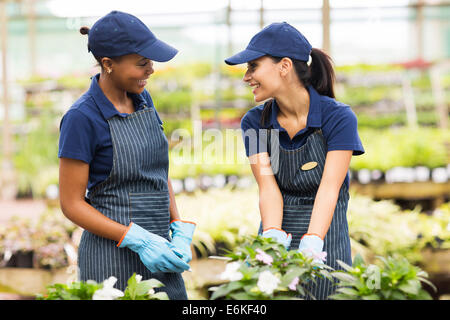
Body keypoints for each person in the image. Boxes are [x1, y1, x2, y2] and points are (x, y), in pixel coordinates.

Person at [58, 11, 196, 300]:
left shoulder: (144, 102)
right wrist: (135, 238)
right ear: (108, 64)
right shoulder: (82, 117)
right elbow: (71, 204)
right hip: (111, 258)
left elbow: (158, 172)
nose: (151, 70)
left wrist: (178, 227)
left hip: (159, 249)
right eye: (142, 63)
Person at [225, 22, 365, 300]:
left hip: (327, 237)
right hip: (278, 225)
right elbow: (268, 187)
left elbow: (329, 189)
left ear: (284, 66)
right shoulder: (254, 122)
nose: (246, 77)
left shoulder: (337, 118)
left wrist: (313, 242)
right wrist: (273, 238)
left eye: (253, 66)